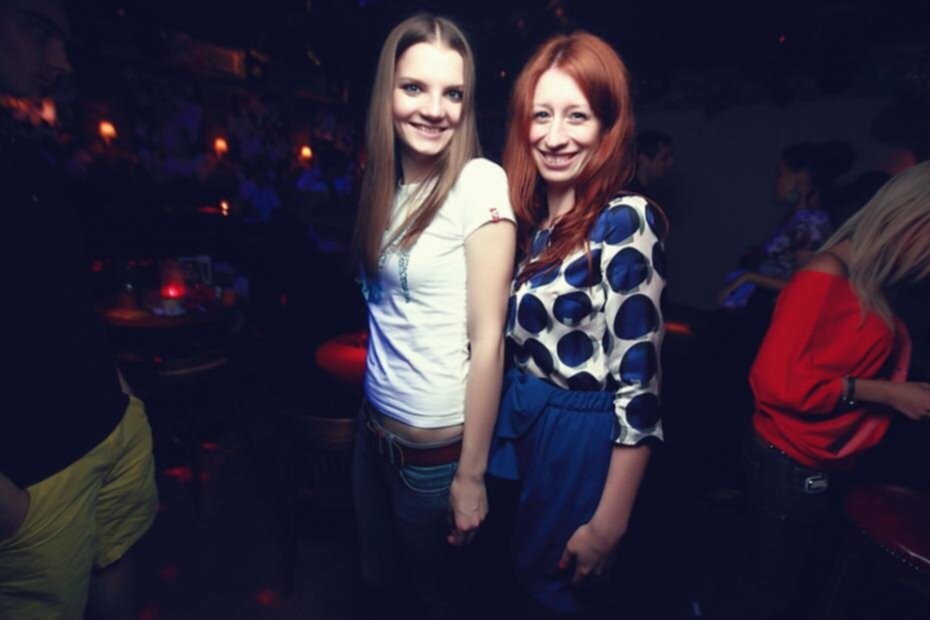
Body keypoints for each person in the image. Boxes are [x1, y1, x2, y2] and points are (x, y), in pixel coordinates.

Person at [490, 32, 665, 617]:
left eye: (577, 115)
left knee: (560, 591)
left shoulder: (625, 219)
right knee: (524, 581)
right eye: (542, 115)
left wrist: (610, 523)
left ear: (608, 126)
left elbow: (640, 388)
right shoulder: (535, 225)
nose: (555, 135)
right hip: (531, 425)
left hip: (582, 439)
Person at [349, 13, 516, 618]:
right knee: (378, 581)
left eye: (453, 94)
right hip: (371, 430)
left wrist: (470, 478)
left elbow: (490, 341)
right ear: (387, 92)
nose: (434, 110)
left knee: (434, 597)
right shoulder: (384, 184)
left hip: (432, 457)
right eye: (415, 87)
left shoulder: (478, 182)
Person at [0, 0, 158, 618]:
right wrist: (9, 504)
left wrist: (118, 390)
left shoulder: (22, 148)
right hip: (35, 474)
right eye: (40, 32)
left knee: (116, 563)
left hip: (109, 421)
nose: (61, 61)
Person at [744, 161, 930, 618]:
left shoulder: (873, 281)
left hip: (823, 458)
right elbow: (777, 384)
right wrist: (888, 394)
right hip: (790, 463)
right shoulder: (825, 273)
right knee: (779, 598)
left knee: (802, 588)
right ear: (910, 220)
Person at [719, 141, 854, 308]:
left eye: (780, 174)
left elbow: (802, 284)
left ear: (800, 180)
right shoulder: (798, 218)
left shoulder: (810, 222)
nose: (776, 182)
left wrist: (750, 277)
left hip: (773, 308)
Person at [629, 129, 674, 199]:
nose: (670, 163)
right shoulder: (630, 195)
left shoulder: (653, 192)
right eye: (664, 158)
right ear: (642, 158)